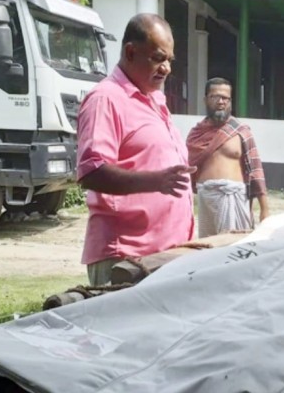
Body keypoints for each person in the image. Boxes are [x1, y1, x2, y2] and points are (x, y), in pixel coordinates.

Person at [75, 14, 195, 286]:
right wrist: (156, 181)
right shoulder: (106, 99)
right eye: (158, 58)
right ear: (131, 52)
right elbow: (91, 172)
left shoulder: (155, 101)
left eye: (169, 61)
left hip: (166, 253)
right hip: (126, 259)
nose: (166, 68)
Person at [186, 78, 269, 238]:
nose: (220, 102)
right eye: (215, 97)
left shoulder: (240, 131)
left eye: (225, 98)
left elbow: (256, 170)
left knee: (232, 249)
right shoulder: (196, 134)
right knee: (207, 249)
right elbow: (186, 171)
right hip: (206, 199)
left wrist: (264, 209)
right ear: (205, 99)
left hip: (234, 197)